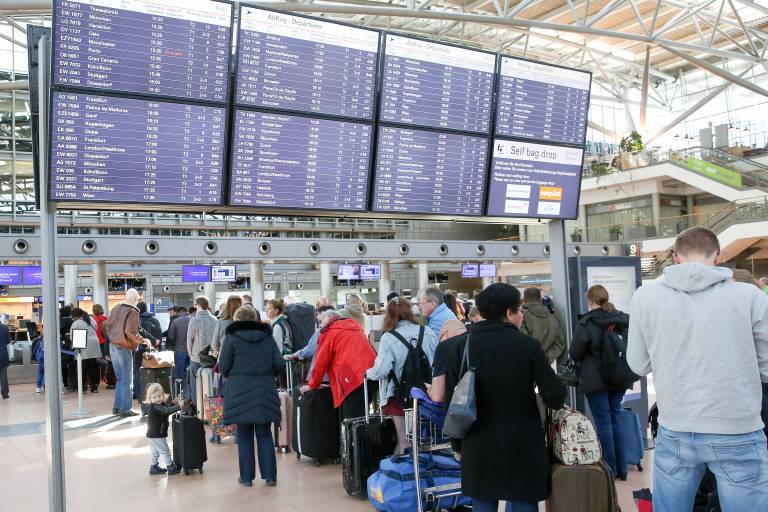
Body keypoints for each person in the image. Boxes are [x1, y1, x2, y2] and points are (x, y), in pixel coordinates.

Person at [628, 227, 768, 511]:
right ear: (718, 256)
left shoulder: (646, 297)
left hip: (676, 426)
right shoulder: (751, 297)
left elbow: (638, 364)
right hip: (737, 427)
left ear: (676, 258)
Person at [458, 283, 566, 512]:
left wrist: (457, 444)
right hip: (522, 442)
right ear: (508, 313)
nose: (522, 315)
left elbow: (454, 396)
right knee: (523, 503)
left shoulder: (464, 345)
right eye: (520, 310)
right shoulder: (528, 346)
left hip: (477, 442)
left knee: (483, 504)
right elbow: (555, 395)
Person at [569, 285, 630, 480]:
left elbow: (575, 352)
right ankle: (623, 468)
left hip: (596, 380)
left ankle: (609, 469)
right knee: (615, 418)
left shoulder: (587, 323)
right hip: (619, 377)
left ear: (591, 301)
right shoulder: (622, 319)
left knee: (603, 422)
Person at [218, 306, 283, 487]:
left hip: (239, 392)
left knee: (245, 435)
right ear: (255, 319)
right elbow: (279, 363)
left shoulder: (231, 339)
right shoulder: (268, 339)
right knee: (264, 434)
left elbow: (223, 366)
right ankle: (270, 477)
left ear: (237, 320)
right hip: (265, 390)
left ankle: (246, 478)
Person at [366, 297, 438, 454]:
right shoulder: (428, 331)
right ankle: (426, 473)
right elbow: (436, 361)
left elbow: (380, 371)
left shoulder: (389, 338)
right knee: (427, 438)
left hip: (400, 396)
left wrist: (368, 373)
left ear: (389, 315)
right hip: (429, 394)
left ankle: (405, 475)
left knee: (405, 440)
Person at [301, 315, 376, 421]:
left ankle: (357, 437)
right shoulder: (354, 328)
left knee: (354, 421)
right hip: (371, 376)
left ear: (328, 321)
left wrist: (313, 385)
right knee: (364, 418)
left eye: (320, 322)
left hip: (353, 381)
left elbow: (320, 362)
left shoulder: (329, 332)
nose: (319, 326)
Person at [104, 288, 150, 417]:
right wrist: (142, 341)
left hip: (113, 345)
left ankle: (117, 407)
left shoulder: (116, 307)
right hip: (123, 347)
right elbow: (130, 332)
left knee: (120, 379)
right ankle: (125, 408)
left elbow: (106, 325)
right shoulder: (133, 311)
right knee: (126, 379)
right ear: (136, 298)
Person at [284, 305, 335, 381]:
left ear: (322, 314)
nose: (319, 324)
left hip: (321, 374)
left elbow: (311, 349)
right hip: (336, 374)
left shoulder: (321, 331)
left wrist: (295, 355)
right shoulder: (340, 330)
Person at [186, 296, 218, 408]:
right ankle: (212, 410)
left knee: (195, 386)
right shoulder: (215, 319)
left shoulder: (194, 320)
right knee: (212, 385)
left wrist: (191, 354)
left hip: (196, 358)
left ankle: (197, 410)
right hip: (212, 358)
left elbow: (189, 340)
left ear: (198, 306)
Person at [144, 382, 182, 476]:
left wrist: (173, 403)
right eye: (154, 397)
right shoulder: (155, 407)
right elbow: (166, 411)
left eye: (159, 396)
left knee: (155, 451)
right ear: (150, 398)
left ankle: (154, 467)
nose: (157, 399)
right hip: (157, 434)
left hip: (152, 434)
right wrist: (179, 406)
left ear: (163, 395)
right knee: (165, 450)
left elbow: (166, 408)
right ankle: (170, 467)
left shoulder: (159, 405)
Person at [520, 287, 565, 365]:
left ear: (524, 300)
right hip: (544, 367)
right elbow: (560, 343)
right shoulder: (552, 318)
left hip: (525, 366)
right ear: (540, 299)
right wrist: (546, 358)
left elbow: (522, 343)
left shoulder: (522, 317)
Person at [427, 319, 468, 404]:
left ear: (443, 335)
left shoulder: (445, 346)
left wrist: (430, 389)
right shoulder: (476, 339)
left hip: (461, 411)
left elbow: (437, 396)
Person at [69, 308, 103, 393]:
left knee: (82, 367)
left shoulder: (76, 323)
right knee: (94, 366)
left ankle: (83, 387)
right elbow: (95, 328)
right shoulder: (91, 319)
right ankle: (94, 387)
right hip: (95, 343)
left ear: (74, 316)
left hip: (83, 344)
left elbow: (72, 337)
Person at [135, 302, 162, 400]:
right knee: (153, 372)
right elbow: (159, 335)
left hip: (140, 350)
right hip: (153, 350)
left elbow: (139, 334)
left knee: (138, 372)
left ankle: (140, 395)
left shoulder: (138, 320)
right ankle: (153, 393)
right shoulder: (155, 320)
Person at [91, 304, 114, 390]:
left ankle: (99, 378)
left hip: (95, 342)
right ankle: (104, 376)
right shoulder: (106, 319)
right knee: (105, 360)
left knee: (96, 360)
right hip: (104, 341)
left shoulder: (92, 320)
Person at [167, 306, 191, 382]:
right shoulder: (193, 320)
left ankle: (181, 391)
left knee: (180, 373)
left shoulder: (175, 321)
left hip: (180, 350)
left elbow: (171, 336)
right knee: (192, 373)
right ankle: (191, 391)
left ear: (178, 312)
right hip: (192, 351)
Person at [0, 319, 9, 399]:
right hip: (3, 354)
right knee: (3, 376)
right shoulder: (4, 327)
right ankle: (5, 394)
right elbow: (8, 340)